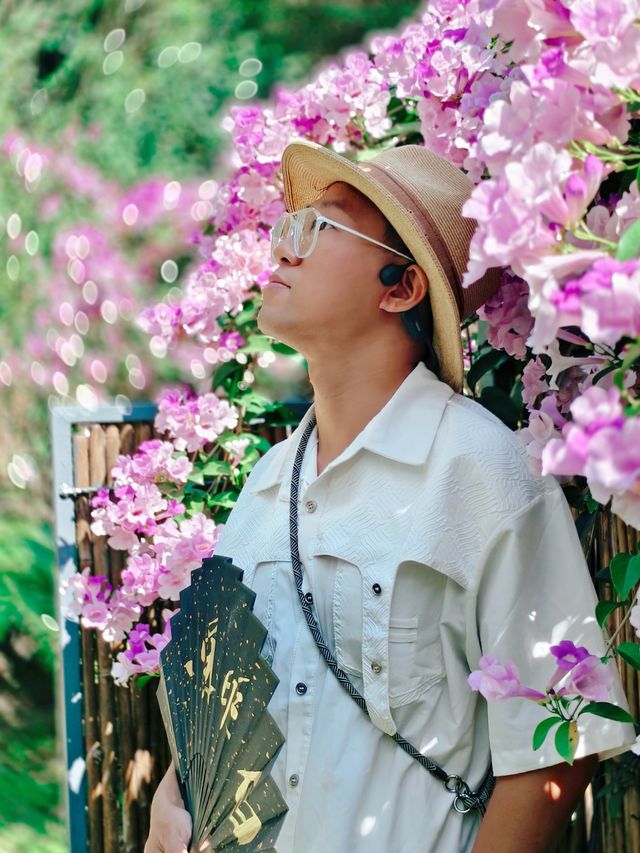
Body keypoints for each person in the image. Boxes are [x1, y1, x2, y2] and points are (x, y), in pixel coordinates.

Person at [145, 140, 635, 853]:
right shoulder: (266, 485)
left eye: (320, 228)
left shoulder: (483, 473)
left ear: (400, 287)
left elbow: (560, 743)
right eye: (289, 226)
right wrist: (170, 793)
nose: (283, 249)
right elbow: (226, 700)